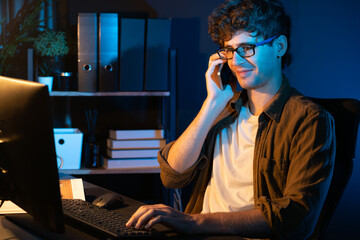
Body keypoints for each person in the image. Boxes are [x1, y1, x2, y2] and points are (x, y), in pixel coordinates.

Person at [126, 0, 336, 239]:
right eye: (229, 51)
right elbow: (172, 176)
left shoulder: (310, 120)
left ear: (279, 46)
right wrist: (212, 103)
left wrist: (194, 222)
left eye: (247, 48)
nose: (235, 62)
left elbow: (296, 218)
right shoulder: (224, 109)